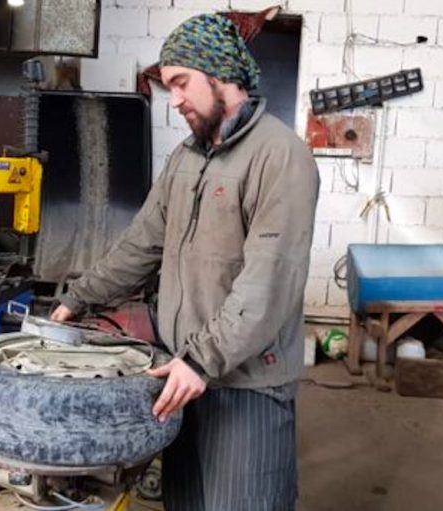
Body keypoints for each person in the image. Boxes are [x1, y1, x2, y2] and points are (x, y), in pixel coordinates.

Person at [51, 12, 319, 511]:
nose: (174, 101)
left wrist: (202, 360)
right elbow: (141, 245)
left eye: (181, 83)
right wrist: (77, 298)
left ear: (222, 76)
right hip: (180, 370)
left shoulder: (280, 156)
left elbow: (269, 281)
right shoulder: (186, 158)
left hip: (244, 383)